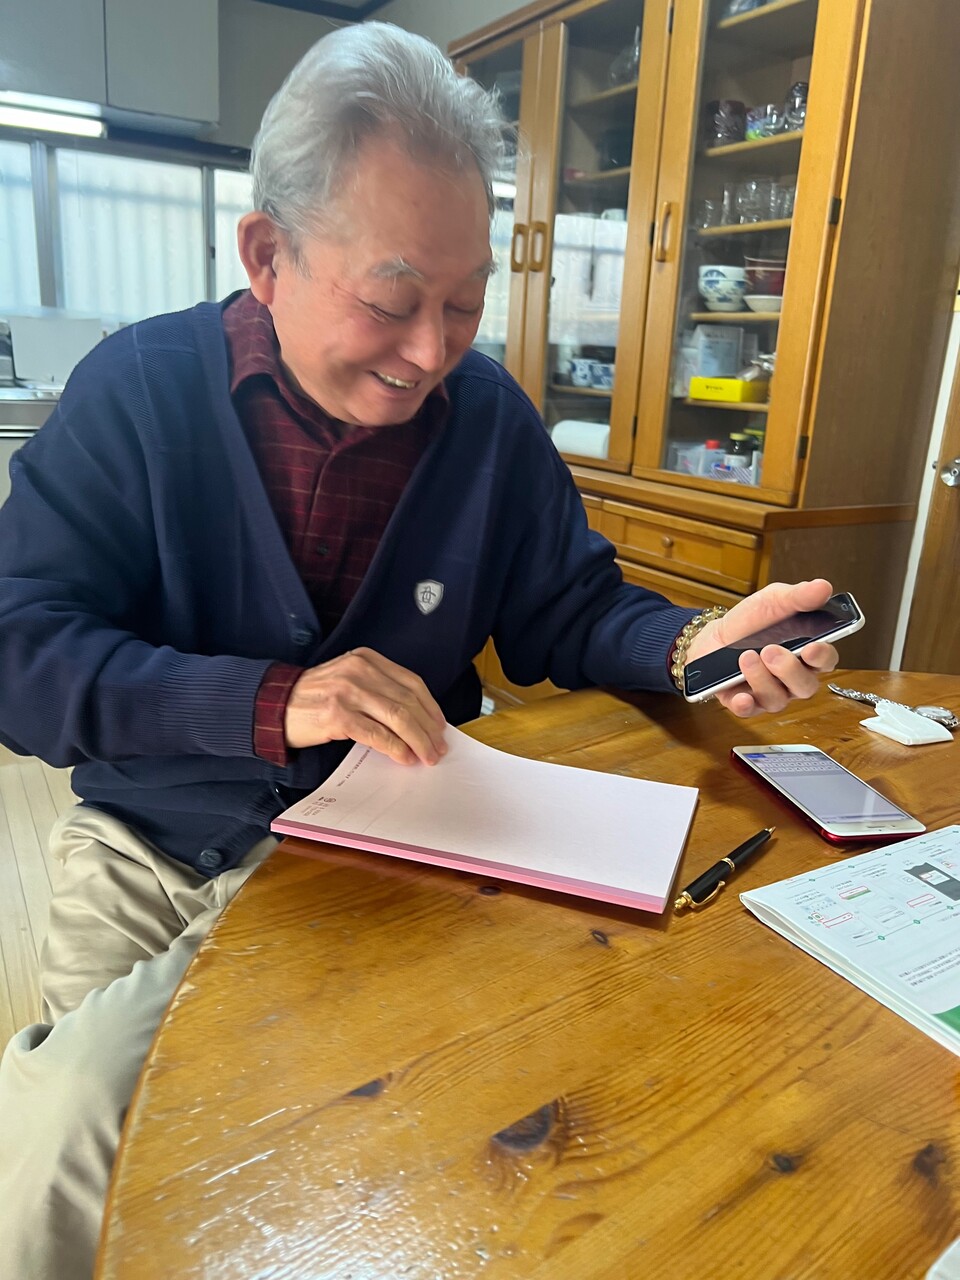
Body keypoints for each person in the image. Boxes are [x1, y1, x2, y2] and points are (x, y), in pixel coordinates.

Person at [0, 22, 839, 1279]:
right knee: (74, 1140)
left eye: (465, 301)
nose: (433, 351)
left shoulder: (487, 421)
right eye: (393, 301)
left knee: (442, 1141)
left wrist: (694, 642)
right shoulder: (135, 391)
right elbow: (22, 653)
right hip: (150, 847)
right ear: (267, 254)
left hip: (379, 859)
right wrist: (274, 701)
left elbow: (567, 608)